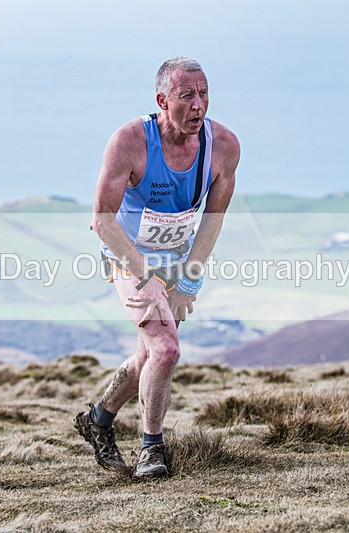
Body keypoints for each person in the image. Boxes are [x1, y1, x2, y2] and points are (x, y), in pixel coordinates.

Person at [74, 57, 239, 478]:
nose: (198, 104)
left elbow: (213, 218)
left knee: (151, 353)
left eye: (204, 94)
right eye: (187, 96)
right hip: (126, 254)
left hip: (176, 262)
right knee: (167, 349)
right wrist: (144, 277)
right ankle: (153, 448)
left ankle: (99, 419)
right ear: (163, 100)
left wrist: (187, 281)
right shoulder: (129, 142)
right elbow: (102, 220)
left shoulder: (223, 147)